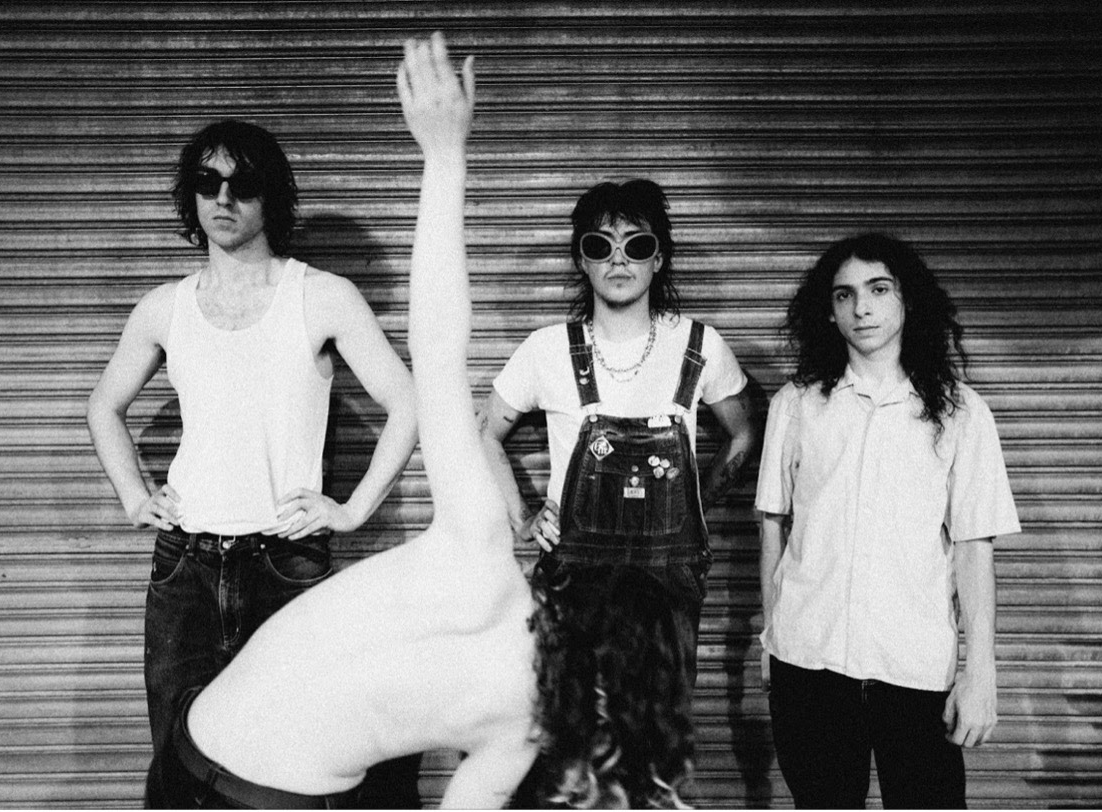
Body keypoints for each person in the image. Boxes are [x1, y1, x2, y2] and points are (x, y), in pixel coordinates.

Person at [142, 33, 696, 810]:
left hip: (192, 752)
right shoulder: (524, 729)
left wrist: (445, 157)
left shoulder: (480, 551)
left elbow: (438, 346)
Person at [86, 110, 422, 801]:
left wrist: (352, 510)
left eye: (242, 185)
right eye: (207, 183)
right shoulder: (164, 307)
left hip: (283, 566)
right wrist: (134, 497)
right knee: (180, 769)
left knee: (291, 769)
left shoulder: (321, 296)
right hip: (185, 567)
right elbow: (103, 407)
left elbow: (410, 403)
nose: (223, 199)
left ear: (271, 197)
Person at [755, 233, 1021, 809]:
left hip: (914, 669)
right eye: (844, 295)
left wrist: (981, 673)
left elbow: (975, 548)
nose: (862, 308)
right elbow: (772, 525)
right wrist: (772, 639)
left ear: (908, 300)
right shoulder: (795, 405)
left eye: (878, 289)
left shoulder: (961, 413)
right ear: (828, 311)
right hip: (808, 663)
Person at [479, 178, 762, 686]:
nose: (618, 259)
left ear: (658, 259)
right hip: (572, 582)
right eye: (600, 245)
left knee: (659, 727)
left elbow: (744, 433)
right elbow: (485, 433)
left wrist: (696, 502)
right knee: (569, 722)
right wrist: (522, 517)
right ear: (582, 260)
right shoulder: (546, 350)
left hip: (668, 585)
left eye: (637, 245)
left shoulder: (700, 346)